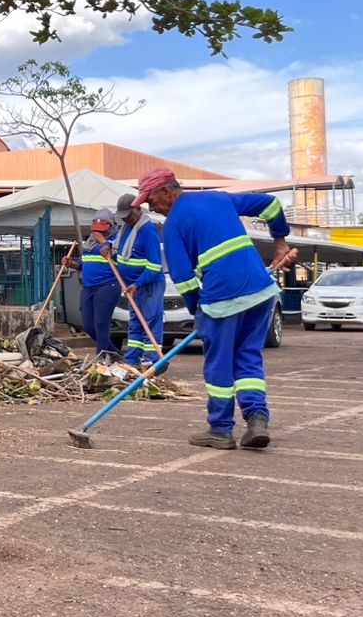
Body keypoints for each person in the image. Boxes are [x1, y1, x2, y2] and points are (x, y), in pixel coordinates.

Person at [136, 168, 294, 450]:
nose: (151, 207)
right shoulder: (219, 199)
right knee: (247, 357)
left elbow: (184, 281)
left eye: (151, 199)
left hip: (222, 297)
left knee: (219, 365)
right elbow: (272, 204)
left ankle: (220, 430)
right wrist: (280, 240)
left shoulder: (172, 227)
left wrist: (199, 311)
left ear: (167, 192)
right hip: (260, 290)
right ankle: (257, 418)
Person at [113, 194, 165, 367]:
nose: (126, 219)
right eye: (123, 217)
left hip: (148, 285)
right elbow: (117, 245)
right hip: (131, 287)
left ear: (138, 210)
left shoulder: (148, 231)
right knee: (135, 322)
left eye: (128, 215)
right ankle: (132, 359)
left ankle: (152, 360)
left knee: (149, 321)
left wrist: (138, 283)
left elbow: (154, 265)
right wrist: (107, 246)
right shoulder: (126, 228)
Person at [66, 208, 122, 357]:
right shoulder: (89, 241)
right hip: (89, 287)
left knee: (101, 324)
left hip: (107, 285)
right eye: (96, 228)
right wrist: (72, 264)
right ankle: (114, 353)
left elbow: (119, 259)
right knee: (89, 326)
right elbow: (85, 262)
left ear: (111, 225)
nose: (98, 231)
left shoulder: (117, 239)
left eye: (102, 228)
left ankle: (101, 358)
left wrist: (103, 242)